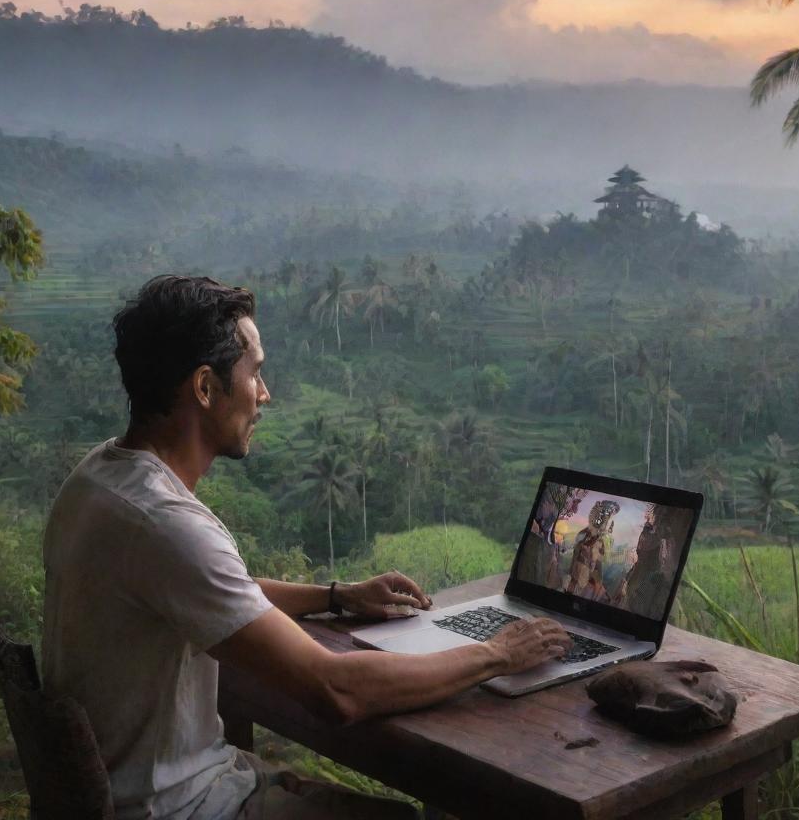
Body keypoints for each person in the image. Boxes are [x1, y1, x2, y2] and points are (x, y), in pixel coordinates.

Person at [42, 276, 570, 820]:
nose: (264, 394)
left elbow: (214, 594)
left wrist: (335, 595)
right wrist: (498, 654)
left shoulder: (99, 478)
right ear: (204, 388)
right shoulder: (166, 526)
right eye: (256, 373)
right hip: (181, 806)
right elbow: (336, 691)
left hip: (145, 789)